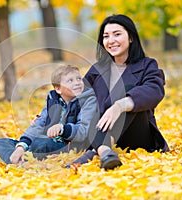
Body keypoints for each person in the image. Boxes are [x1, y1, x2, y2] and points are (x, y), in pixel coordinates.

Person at [69, 14, 169, 170]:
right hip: (100, 132)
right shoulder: (97, 69)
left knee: (127, 91)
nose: (111, 40)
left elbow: (155, 90)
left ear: (130, 37)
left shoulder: (147, 65)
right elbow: (79, 98)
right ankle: (104, 151)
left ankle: (96, 152)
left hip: (137, 136)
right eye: (106, 36)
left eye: (117, 34)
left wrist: (120, 105)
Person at [0, 65, 99, 164]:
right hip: (44, 140)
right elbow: (39, 124)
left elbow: (83, 130)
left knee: (40, 144)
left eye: (79, 79)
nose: (77, 83)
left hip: (65, 145)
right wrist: (21, 146)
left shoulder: (88, 100)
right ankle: (19, 160)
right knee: (1, 143)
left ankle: (24, 159)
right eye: (70, 81)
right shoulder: (53, 100)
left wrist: (63, 129)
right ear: (58, 89)